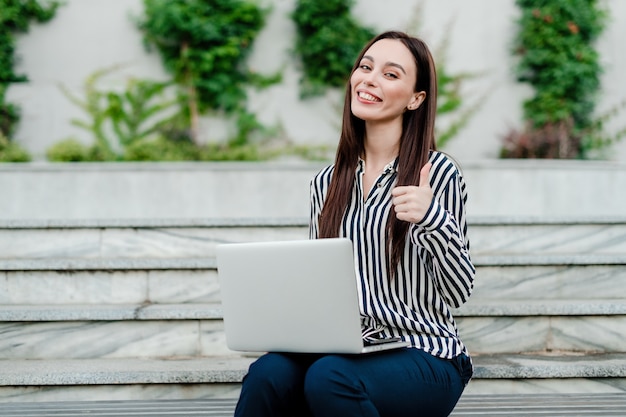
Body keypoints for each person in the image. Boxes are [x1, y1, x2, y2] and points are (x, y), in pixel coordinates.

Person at [234, 30, 475, 417]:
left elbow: (459, 291)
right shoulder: (327, 182)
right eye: (366, 67)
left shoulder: (437, 173)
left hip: (427, 352)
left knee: (331, 377)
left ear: (417, 99)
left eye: (391, 74)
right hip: (350, 348)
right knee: (268, 374)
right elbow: (319, 283)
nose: (370, 79)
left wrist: (431, 219)